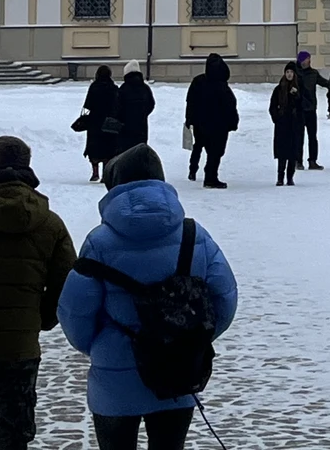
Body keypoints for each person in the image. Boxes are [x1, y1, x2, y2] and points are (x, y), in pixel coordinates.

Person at [57, 144, 237, 450]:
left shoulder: (99, 242)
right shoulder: (195, 235)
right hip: (177, 371)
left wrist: (101, 346)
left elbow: (75, 313)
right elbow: (225, 299)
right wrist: (190, 336)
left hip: (114, 377)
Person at [0, 135, 76, 450]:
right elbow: (66, 283)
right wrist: (39, 320)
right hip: (18, 350)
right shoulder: (50, 224)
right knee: (13, 438)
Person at [184, 54, 239, 189]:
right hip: (219, 125)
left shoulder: (199, 81)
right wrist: (233, 122)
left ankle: (194, 169)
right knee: (215, 152)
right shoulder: (221, 85)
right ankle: (210, 177)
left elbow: (190, 102)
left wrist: (189, 119)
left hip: (200, 123)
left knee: (199, 146)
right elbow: (230, 105)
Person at [82, 65, 120, 181]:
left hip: (95, 121)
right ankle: (105, 174)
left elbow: (87, 104)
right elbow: (118, 105)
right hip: (109, 122)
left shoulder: (94, 87)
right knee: (108, 149)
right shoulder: (114, 88)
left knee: (94, 148)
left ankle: (95, 173)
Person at [293, 51, 329, 170]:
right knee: (299, 136)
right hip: (298, 109)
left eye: (309, 59)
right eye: (306, 59)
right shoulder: (295, 74)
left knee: (312, 136)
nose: (308, 61)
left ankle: (313, 160)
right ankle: (298, 160)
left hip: (311, 109)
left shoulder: (313, 73)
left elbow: (325, 83)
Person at [269, 63, 303, 186]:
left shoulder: (298, 88)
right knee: (282, 153)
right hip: (282, 125)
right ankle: (280, 177)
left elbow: (301, 107)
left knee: (293, 153)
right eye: (287, 72)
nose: (289, 74)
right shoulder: (278, 89)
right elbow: (272, 107)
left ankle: (290, 177)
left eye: (291, 72)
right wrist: (277, 118)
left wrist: (296, 96)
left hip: (294, 125)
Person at [115, 61, 154, 155]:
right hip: (142, 127)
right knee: (140, 153)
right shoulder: (145, 88)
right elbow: (151, 104)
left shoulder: (123, 89)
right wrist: (143, 114)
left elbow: (117, 107)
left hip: (126, 128)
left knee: (126, 155)